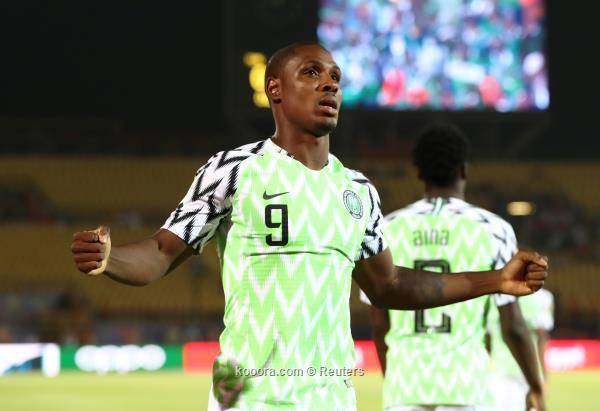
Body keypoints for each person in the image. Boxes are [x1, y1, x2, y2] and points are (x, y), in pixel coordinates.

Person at [70, 42, 548, 411]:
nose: (329, 85)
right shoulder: (235, 170)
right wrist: (111, 258)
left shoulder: (358, 191)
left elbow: (390, 286)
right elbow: (161, 252)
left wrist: (495, 280)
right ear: (274, 89)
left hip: (332, 399)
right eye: (312, 73)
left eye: (335, 77)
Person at [360, 124, 546, 411]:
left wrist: (394, 379)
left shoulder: (388, 228)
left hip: (404, 387)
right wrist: (535, 385)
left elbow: (378, 324)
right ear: (464, 171)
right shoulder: (493, 229)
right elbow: (513, 326)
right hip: (467, 388)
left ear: (419, 173)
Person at [488, 288, 554, 411]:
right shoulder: (541, 297)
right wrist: (542, 378)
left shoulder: (489, 293)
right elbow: (541, 339)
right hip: (515, 374)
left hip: (508, 375)